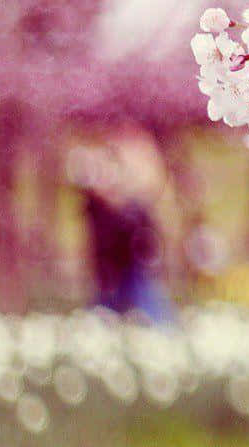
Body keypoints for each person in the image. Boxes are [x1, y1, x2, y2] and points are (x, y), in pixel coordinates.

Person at [68, 138, 176, 324]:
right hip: (108, 276)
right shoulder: (95, 206)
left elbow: (148, 239)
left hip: (134, 275)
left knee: (149, 314)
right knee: (105, 315)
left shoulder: (133, 207)